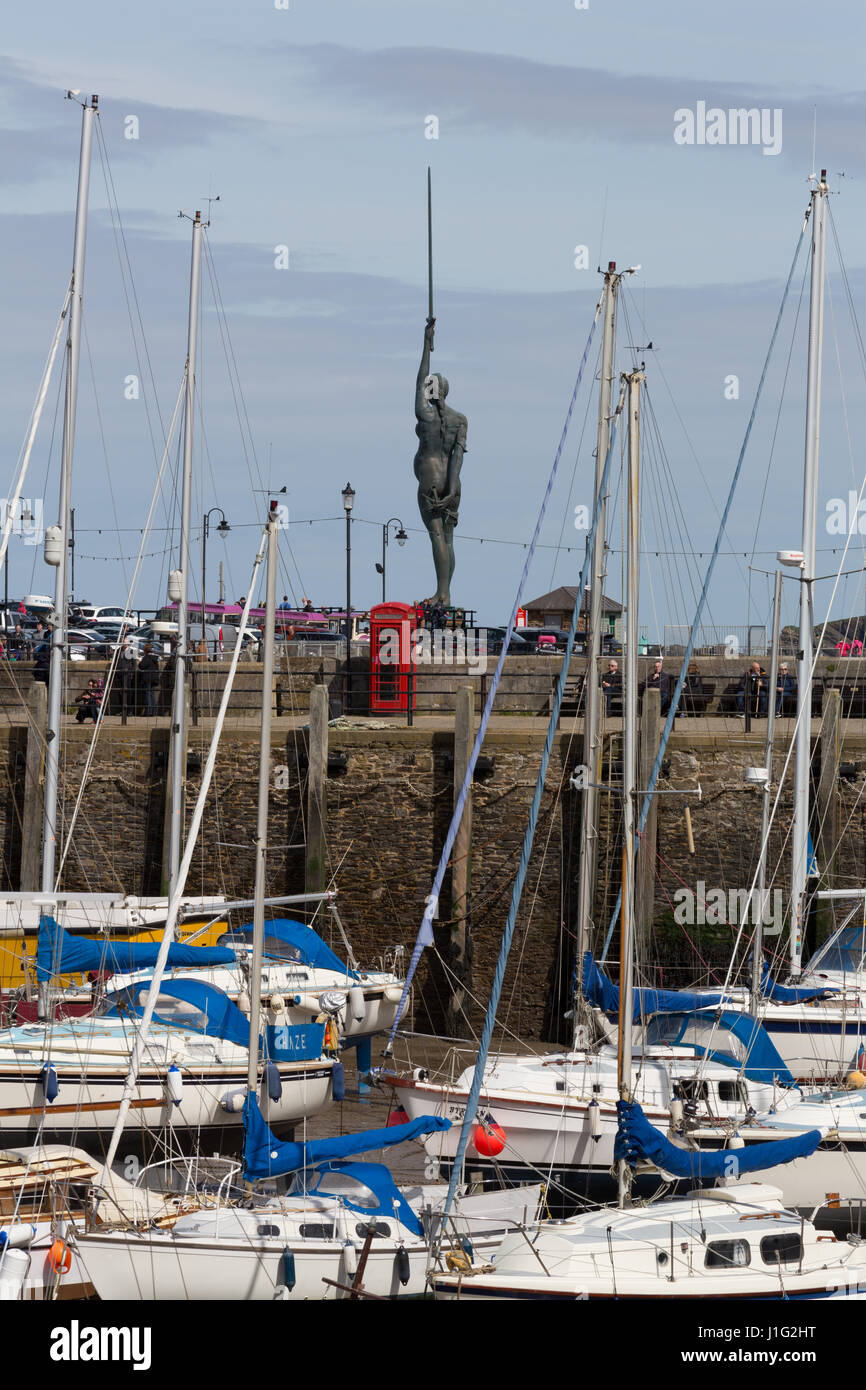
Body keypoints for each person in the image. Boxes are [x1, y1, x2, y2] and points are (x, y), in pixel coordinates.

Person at [414, 316, 467, 607]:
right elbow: (458, 458)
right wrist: (451, 488)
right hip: (453, 485)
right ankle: (445, 593)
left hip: (429, 484)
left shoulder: (426, 414)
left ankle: (441, 593)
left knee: (436, 537)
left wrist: (426, 344)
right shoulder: (460, 419)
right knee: (449, 539)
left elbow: (419, 378)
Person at [138, 642, 161, 716]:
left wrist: (140, 661)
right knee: (152, 695)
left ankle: (148, 712)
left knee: (147, 695)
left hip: (148, 678)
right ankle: (153, 711)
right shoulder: (155, 658)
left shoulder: (147, 657)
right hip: (154, 678)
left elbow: (141, 666)